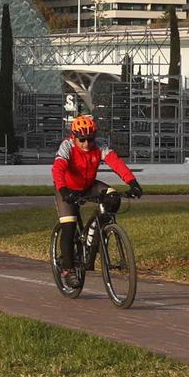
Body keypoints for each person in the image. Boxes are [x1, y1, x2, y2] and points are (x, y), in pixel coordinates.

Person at [52, 114, 142, 274]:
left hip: (88, 185)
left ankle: (95, 237)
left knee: (113, 197)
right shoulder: (67, 146)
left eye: (90, 139)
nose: (87, 144)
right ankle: (68, 269)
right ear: (74, 137)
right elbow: (58, 169)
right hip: (68, 188)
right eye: (82, 140)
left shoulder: (99, 146)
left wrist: (132, 182)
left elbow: (116, 162)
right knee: (69, 226)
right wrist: (64, 190)